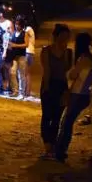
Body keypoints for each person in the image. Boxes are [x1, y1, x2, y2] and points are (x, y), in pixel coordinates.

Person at [54, 32, 92, 162]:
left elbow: (73, 75)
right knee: (67, 121)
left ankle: (60, 151)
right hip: (83, 93)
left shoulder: (83, 59)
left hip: (78, 93)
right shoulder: (90, 58)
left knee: (66, 122)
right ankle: (60, 150)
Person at [39, 24, 72, 160]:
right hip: (49, 84)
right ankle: (48, 146)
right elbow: (47, 71)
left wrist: (64, 52)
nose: (64, 39)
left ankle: (53, 145)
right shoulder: (46, 51)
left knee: (58, 117)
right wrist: (46, 89)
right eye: (62, 36)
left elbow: (66, 70)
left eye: (66, 37)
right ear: (55, 36)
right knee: (47, 115)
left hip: (61, 85)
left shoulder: (68, 52)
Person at [7, 16, 29, 99]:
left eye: (18, 24)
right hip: (14, 56)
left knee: (21, 75)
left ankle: (21, 93)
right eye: (16, 24)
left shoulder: (25, 33)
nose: (17, 26)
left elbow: (26, 45)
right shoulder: (13, 33)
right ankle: (15, 91)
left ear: (22, 25)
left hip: (21, 56)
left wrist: (15, 45)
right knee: (12, 73)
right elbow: (11, 43)